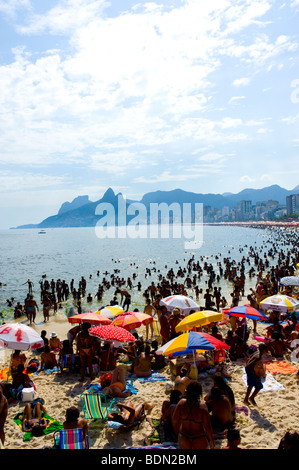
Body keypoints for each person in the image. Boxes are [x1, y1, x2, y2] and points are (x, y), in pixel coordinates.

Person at [172, 381, 215, 449]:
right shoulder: (202, 407)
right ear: (199, 393)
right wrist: (211, 440)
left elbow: (175, 420)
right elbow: (207, 426)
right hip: (199, 438)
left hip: (184, 436)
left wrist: (178, 433)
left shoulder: (181, 403)